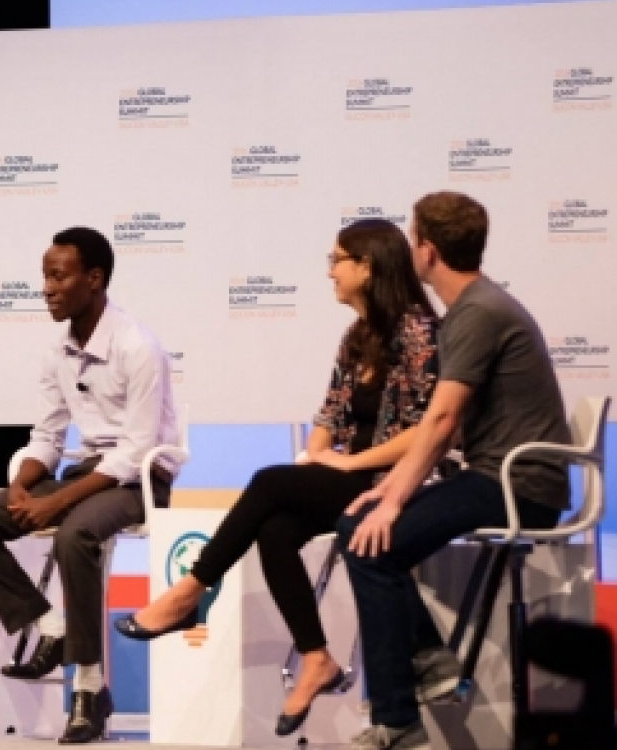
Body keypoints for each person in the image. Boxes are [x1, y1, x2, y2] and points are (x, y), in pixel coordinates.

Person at [113, 218, 442, 735]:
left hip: (403, 481)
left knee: (268, 483)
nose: (329, 271)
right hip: (357, 475)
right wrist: (316, 455)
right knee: (275, 528)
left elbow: (429, 431)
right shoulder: (358, 335)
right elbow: (330, 415)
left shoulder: (417, 332)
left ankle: (189, 592)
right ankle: (316, 657)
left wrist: (348, 463)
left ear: (367, 266)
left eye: (336, 260)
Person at [336, 192, 572, 750]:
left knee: (374, 541)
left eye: (412, 236)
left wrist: (392, 501)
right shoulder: (476, 308)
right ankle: (431, 663)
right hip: (496, 476)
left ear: (428, 250)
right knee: (359, 530)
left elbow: (440, 421)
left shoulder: (477, 313)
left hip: (515, 486)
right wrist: (388, 491)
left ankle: (397, 718)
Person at [0, 227, 180, 745]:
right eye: (44, 277)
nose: (47, 288)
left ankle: (89, 690)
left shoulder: (137, 346)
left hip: (141, 479)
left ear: (94, 280)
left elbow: (137, 450)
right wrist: (20, 488)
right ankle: (47, 623)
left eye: (58, 276)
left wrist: (60, 501)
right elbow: (47, 438)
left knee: (75, 533)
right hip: (84, 476)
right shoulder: (57, 350)